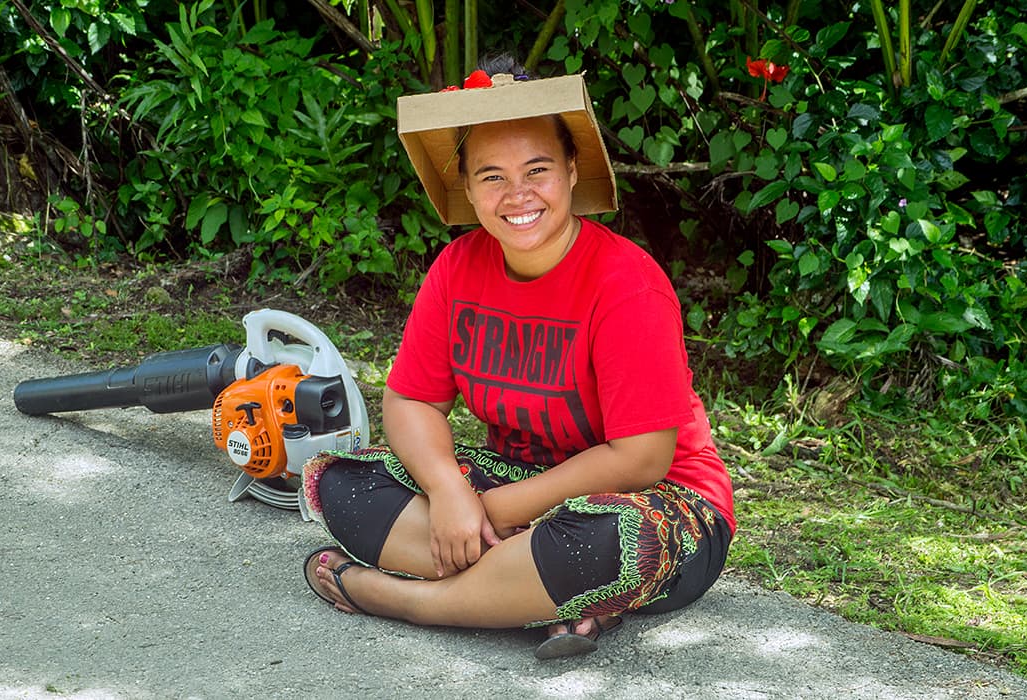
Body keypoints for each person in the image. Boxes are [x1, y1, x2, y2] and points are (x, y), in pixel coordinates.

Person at [300, 57, 735, 660]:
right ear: (467, 187)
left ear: (572, 170)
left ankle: (407, 598)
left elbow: (642, 457)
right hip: (516, 480)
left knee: (608, 540)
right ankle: (538, 596)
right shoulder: (457, 268)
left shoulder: (627, 284)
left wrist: (493, 509)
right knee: (347, 480)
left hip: (661, 502)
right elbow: (411, 400)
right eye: (492, 176)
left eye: (537, 169)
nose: (517, 195)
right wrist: (449, 489)